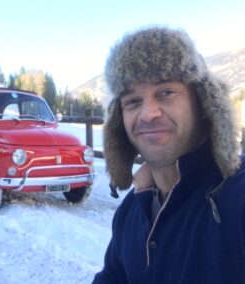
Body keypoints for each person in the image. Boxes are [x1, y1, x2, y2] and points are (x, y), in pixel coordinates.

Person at [93, 27, 245, 284]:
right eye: (133, 101)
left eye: (165, 92)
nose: (148, 113)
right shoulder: (130, 211)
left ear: (204, 103)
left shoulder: (237, 198)